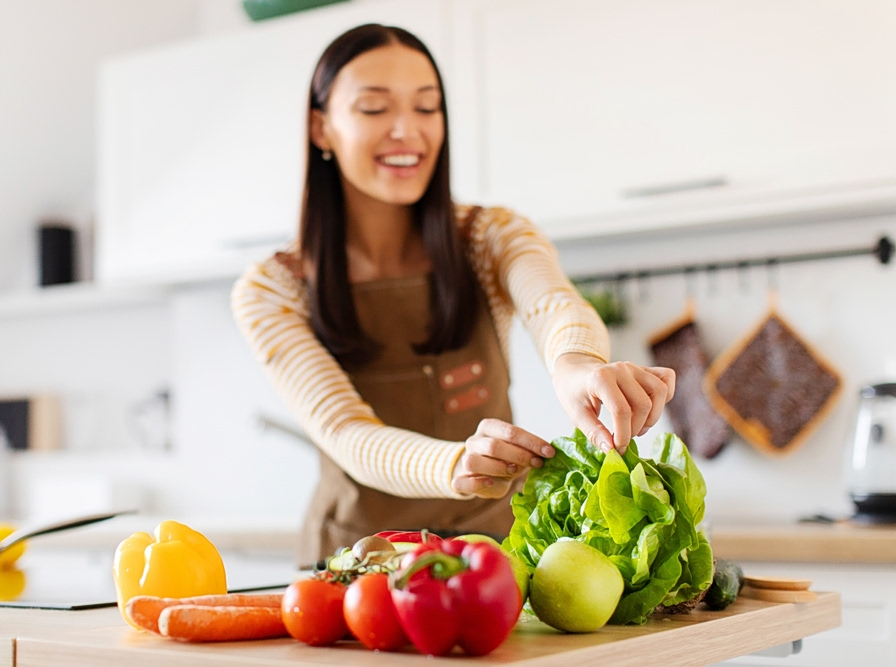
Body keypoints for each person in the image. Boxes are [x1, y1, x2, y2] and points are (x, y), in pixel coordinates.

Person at [231, 24, 675, 566]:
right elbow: (346, 433)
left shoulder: (489, 236)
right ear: (320, 128)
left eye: (427, 107)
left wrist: (576, 364)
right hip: (354, 567)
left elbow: (552, 302)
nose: (406, 130)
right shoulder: (273, 288)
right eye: (374, 109)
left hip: (495, 555)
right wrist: (456, 465)